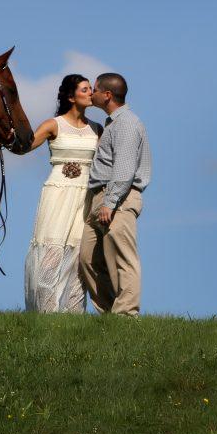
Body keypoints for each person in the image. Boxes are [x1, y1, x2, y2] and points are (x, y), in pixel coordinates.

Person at [20, 75, 102, 312]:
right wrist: (2, 141)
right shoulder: (52, 124)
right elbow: (25, 147)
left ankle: (72, 318)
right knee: (51, 253)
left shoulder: (97, 129)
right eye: (85, 89)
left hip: (85, 196)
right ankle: (45, 313)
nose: (90, 93)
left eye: (91, 89)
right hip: (57, 194)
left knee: (78, 256)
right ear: (70, 96)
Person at [78, 73, 151, 316]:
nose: (92, 93)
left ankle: (126, 316)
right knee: (88, 259)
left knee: (122, 260)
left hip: (117, 198)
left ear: (107, 95)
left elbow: (124, 168)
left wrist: (110, 202)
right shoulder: (112, 123)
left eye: (95, 89)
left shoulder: (127, 123)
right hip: (101, 197)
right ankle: (111, 316)